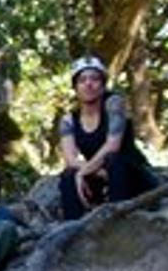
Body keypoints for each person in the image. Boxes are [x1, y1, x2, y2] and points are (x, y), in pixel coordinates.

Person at [55, 54, 158, 220]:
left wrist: (83, 173)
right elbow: (70, 159)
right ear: (75, 88)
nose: (88, 84)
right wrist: (87, 173)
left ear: (103, 85)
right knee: (68, 175)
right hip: (101, 174)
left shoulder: (114, 103)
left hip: (130, 174)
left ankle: (118, 220)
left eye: (94, 79)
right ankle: (72, 226)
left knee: (113, 160)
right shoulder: (68, 120)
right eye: (82, 80)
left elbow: (113, 146)